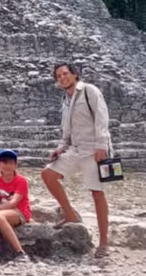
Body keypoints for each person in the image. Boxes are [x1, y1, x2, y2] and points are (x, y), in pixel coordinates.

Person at [42, 63, 113, 258]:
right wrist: (60, 148)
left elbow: (102, 118)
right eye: (58, 76)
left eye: (65, 74)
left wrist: (101, 145)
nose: (62, 78)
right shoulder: (65, 99)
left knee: (97, 194)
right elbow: (67, 131)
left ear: (74, 75)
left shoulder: (89, 91)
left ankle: (104, 243)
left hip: (93, 149)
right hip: (75, 149)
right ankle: (70, 214)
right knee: (48, 174)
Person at [0, 150, 31, 262]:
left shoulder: (21, 181)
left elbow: (14, 202)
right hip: (4, 211)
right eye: (4, 162)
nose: (7, 166)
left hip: (20, 212)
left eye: (10, 163)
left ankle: (20, 252)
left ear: (15, 165)